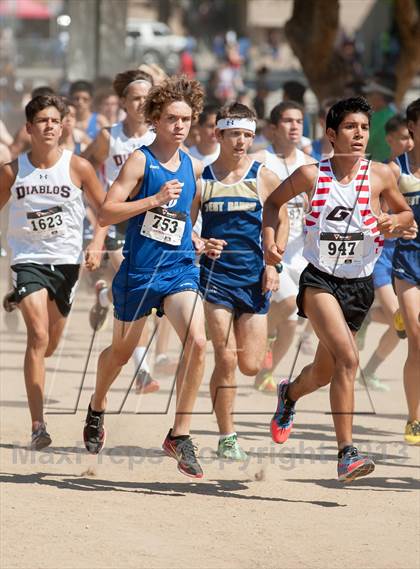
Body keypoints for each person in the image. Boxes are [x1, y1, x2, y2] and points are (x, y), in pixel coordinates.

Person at [263, 97, 413, 482]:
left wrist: (393, 223)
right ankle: (347, 452)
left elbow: (405, 212)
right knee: (348, 359)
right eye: (350, 127)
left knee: (326, 372)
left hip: (359, 286)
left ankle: (290, 394)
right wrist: (269, 240)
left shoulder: (380, 175)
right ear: (331, 134)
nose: (359, 134)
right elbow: (272, 203)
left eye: (364, 128)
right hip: (320, 281)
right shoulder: (311, 175)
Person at [83, 76, 208, 479]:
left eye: (186, 119)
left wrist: (198, 238)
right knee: (121, 354)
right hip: (139, 272)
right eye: (172, 118)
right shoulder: (140, 160)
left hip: (179, 269)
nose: (180, 126)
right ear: (155, 119)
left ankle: (180, 434)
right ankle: (98, 405)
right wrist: (151, 199)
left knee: (199, 343)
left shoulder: (192, 165)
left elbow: (182, 218)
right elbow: (106, 212)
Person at [0, 94, 106, 449]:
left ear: (63, 126)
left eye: (53, 120)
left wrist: (95, 243)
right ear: (28, 128)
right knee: (39, 337)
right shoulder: (13, 171)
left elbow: (105, 210)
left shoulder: (78, 168)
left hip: (66, 263)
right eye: (41, 121)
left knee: (50, 343)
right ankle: (38, 426)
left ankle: (24, 301)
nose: (48, 126)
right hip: (26, 259)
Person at [199, 102, 287, 460]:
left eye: (248, 135)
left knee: (251, 364)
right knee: (225, 358)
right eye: (235, 134)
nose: (242, 142)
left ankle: (278, 389)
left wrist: (274, 261)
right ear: (219, 134)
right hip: (214, 277)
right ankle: (227, 436)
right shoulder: (202, 176)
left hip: (253, 278)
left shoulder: (262, 175)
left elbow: (282, 217)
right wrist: (201, 243)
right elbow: (188, 227)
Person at [82, 69, 160, 393]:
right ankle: (143, 372)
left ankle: (103, 294)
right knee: (135, 288)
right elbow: (83, 170)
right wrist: (94, 210)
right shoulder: (108, 136)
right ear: (123, 102)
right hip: (116, 218)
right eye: (135, 98)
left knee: (140, 292)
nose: (141, 104)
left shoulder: (159, 135)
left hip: (148, 221)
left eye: (146, 98)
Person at [252, 101, 316, 392]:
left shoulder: (308, 163)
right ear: (273, 128)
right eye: (288, 121)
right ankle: (259, 338)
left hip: (300, 252)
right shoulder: (260, 160)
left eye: (299, 121)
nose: (294, 127)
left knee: (292, 322)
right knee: (291, 304)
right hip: (270, 248)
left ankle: (265, 373)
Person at [359, 114, 414, 390]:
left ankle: (370, 369)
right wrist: (387, 222)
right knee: (401, 321)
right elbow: (371, 210)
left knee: (402, 324)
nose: (409, 142)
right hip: (383, 254)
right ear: (390, 139)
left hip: (410, 255)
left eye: (411, 136)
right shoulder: (386, 171)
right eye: (404, 137)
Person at [389, 98, 420, 445]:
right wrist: (396, 226)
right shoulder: (396, 170)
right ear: (412, 127)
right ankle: (414, 418)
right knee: (417, 340)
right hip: (408, 260)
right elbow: (376, 214)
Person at [364, 75, 396, 162]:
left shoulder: (388, 118)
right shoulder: (386, 114)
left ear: (380, 96)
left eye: (370, 94)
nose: (366, 97)